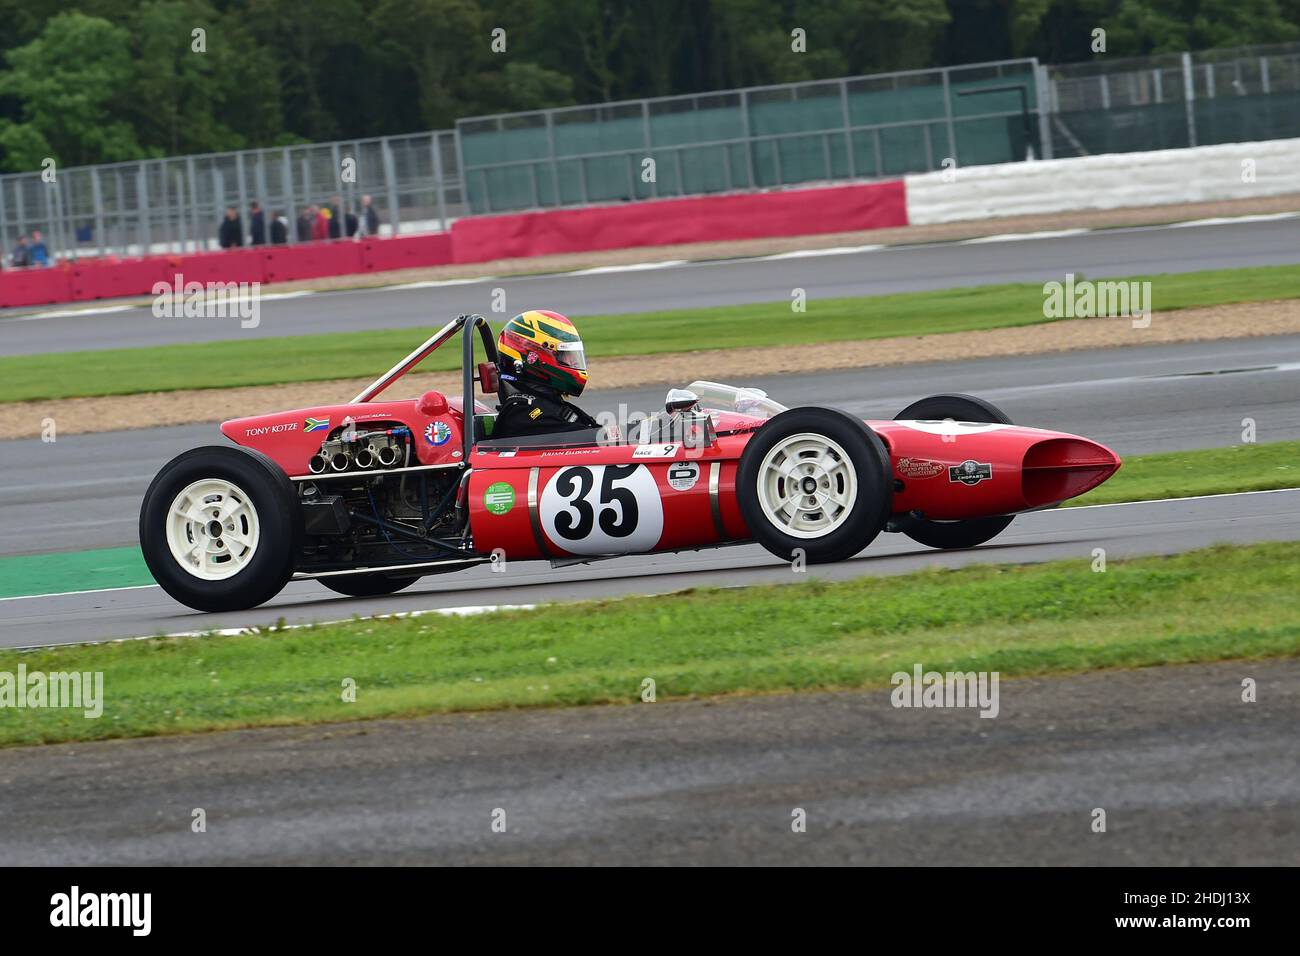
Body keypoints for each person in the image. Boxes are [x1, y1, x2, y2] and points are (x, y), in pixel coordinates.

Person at [492, 310, 598, 439]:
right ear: (534, 358)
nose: (574, 362)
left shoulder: (548, 403)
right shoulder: (523, 414)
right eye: (566, 355)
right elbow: (586, 441)